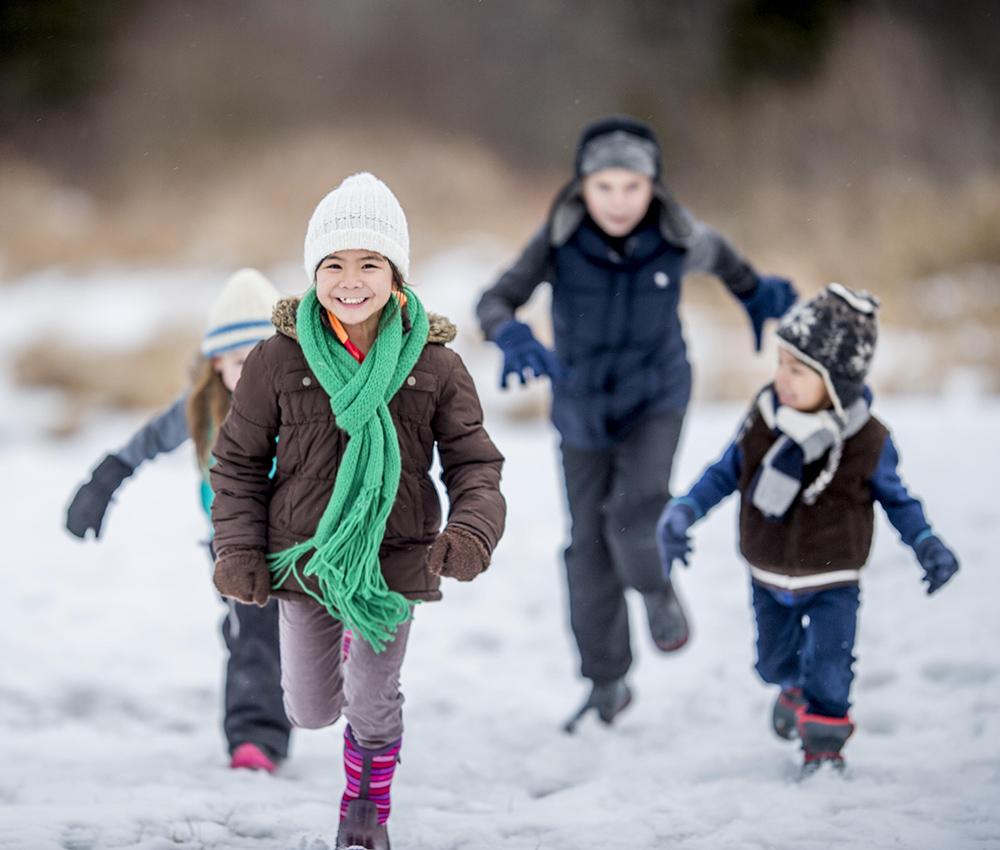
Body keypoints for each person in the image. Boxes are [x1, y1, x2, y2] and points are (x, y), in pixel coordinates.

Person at [209, 172, 506, 850]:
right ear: (314, 271)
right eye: (334, 264)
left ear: (395, 272)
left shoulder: (435, 364)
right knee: (310, 709)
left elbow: (475, 463)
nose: (351, 280)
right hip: (306, 556)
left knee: (372, 702)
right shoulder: (277, 359)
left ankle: (365, 812)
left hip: (394, 559)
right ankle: (334, 655)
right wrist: (238, 549)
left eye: (369, 263)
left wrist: (470, 530)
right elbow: (239, 462)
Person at [476, 114, 797, 730]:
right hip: (580, 407)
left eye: (632, 187)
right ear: (581, 188)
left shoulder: (677, 236)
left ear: (653, 186)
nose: (618, 202)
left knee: (635, 510)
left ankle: (654, 590)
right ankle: (607, 681)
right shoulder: (558, 239)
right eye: (604, 187)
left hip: (657, 394)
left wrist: (753, 292)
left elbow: (724, 256)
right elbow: (494, 298)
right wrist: (511, 332)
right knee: (586, 548)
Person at [657, 283, 960, 774]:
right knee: (772, 664)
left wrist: (925, 542)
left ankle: (823, 746)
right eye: (780, 363)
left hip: (832, 580)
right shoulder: (762, 419)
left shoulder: (867, 440)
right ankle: (792, 691)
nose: (783, 378)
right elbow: (724, 472)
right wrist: (685, 509)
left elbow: (898, 500)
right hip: (767, 573)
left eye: (798, 370)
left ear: (835, 381)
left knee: (832, 669)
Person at [65, 268, 292, 772]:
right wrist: (104, 480)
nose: (255, 373)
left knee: (300, 637)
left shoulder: (303, 401)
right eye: (240, 361)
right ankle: (255, 736)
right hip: (233, 547)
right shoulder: (201, 410)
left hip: (304, 543)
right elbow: (143, 444)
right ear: (217, 364)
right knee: (252, 635)